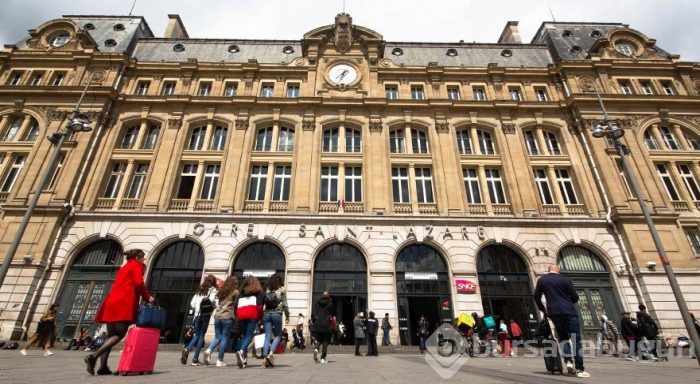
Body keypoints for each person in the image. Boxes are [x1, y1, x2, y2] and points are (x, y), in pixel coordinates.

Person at [85, 249, 154, 375]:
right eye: (143, 258)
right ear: (138, 257)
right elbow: (139, 283)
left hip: (111, 301)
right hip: (124, 302)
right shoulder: (137, 265)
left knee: (110, 335)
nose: (144, 260)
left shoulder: (124, 267)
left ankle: (103, 367)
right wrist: (147, 297)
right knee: (119, 334)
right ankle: (93, 356)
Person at [534, 264, 590, 378]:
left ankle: (568, 361)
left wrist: (543, 309)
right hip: (569, 311)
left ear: (549, 270)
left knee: (563, 338)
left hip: (554, 313)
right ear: (557, 270)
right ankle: (579, 369)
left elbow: (536, 296)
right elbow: (575, 296)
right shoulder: (565, 280)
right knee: (576, 340)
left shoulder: (542, 280)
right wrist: (568, 301)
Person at [181, 275, 217, 366]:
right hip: (205, 315)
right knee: (201, 335)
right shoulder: (212, 289)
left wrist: (197, 308)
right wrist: (213, 306)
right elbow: (211, 300)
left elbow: (192, 304)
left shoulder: (200, 289)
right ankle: (195, 359)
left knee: (197, 334)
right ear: (213, 282)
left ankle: (187, 349)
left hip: (197, 315)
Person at [203, 276, 239, 367]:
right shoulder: (235, 292)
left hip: (217, 316)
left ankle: (209, 350)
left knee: (217, 337)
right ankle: (220, 360)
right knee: (224, 338)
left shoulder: (221, 291)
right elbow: (236, 304)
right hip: (227, 316)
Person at [261, 273, 290, 368]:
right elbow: (285, 303)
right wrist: (287, 315)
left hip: (266, 314)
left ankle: (264, 358)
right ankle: (271, 353)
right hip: (277, 314)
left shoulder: (266, 289)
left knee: (267, 337)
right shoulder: (282, 289)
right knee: (278, 335)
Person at [235, 276, 264, 369]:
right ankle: (242, 351)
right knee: (249, 336)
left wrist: (237, 315)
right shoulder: (258, 293)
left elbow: (236, 305)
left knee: (244, 336)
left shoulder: (241, 293)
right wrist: (259, 317)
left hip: (241, 315)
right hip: (252, 315)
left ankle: (244, 360)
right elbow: (259, 307)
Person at [311, 291, 334, 363]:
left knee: (318, 339)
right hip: (326, 324)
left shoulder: (317, 303)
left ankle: (316, 349)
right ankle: (323, 358)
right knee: (325, 341)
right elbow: (332, 314)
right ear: (328, 296)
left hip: (318, 324)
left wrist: (315, 321)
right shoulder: (330, 304)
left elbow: (313, 313)